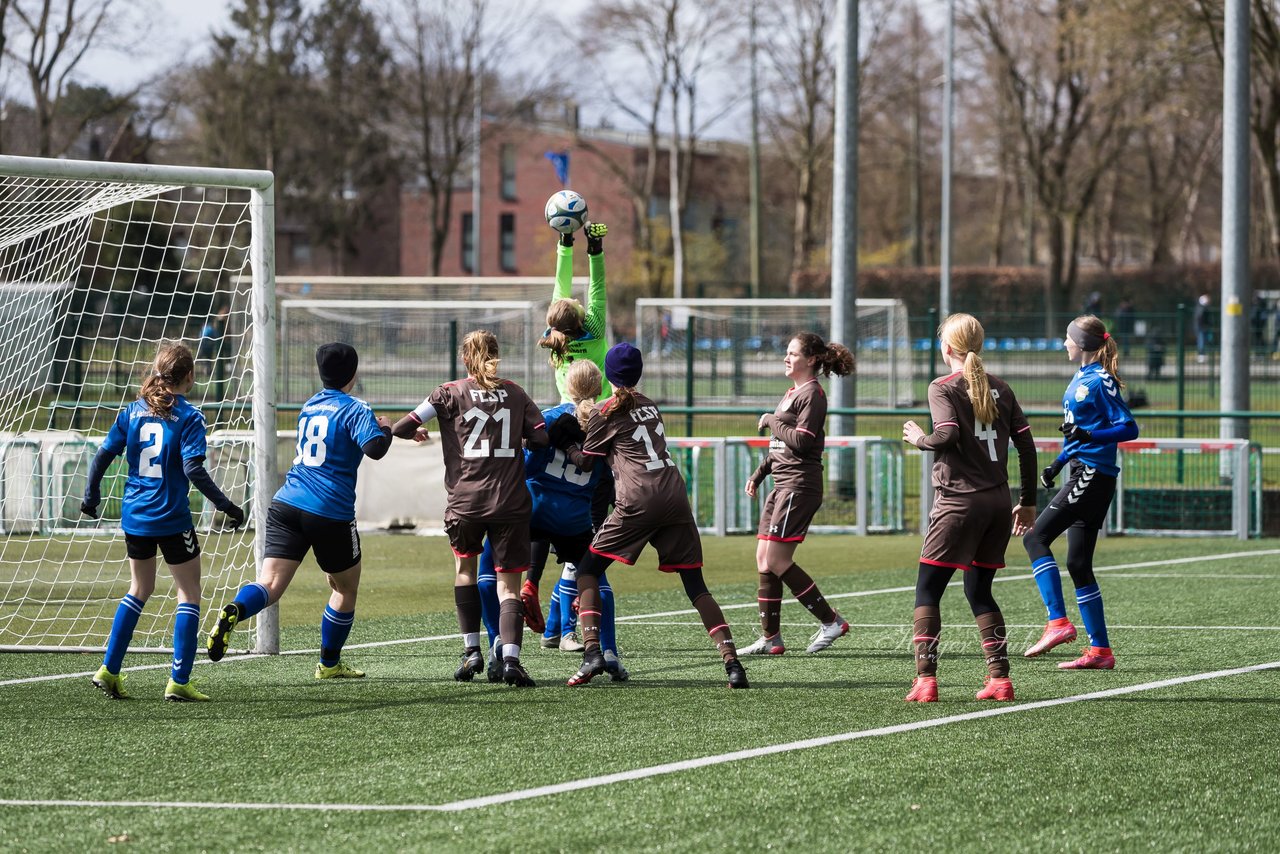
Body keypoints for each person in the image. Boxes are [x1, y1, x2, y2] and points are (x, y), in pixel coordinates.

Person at [558, 342, 749, 688]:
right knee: (696, 586)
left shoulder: (606, 411)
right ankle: (733, 663)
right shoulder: (650, 405)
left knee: (587, 571)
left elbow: (587, 460)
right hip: (675, 495)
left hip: (639, 498)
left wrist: (568, 444)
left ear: (609, 377)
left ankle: (591, 654)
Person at [206, 343, 391, 679]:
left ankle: (236, 608)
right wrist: (388, 428)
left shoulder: (310, 406)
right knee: (344, 588)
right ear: (353, 373)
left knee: (270, 583)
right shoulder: (356, 407)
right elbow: (375, 448)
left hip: (287, 502)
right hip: (329, 510)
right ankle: (329, 664)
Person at [83, 341, 245, 702]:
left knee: (139, 589)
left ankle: (109, 670)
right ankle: (180, 681)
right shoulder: (190, 416)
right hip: (172, 517)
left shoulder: (132, 411)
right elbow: (193, 469)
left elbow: (103, 455)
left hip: (135, 516)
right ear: (189, 376)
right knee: (188, 592)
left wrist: (91, 496)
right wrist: (227, 505)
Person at [392, 330, 549, 688]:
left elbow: (405, 426)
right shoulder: (515, 392)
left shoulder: (448, 392)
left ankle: (472, 652)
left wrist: (413, 433)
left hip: (465, 502)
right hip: (509, 502)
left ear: (465, 359)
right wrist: (516, 439)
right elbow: (541, 438)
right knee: (509, 587)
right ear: (497, 356)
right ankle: (511, 659)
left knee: (465, 571)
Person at [901, 314, 1038, 702]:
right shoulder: (1002, 388)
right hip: (997, 502)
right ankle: (1000, 679)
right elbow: (1027, 448)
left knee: (928, 590)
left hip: (959, 502)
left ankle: (926, 679)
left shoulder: (942, 387)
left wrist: (919, 439)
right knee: (980, 591)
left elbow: (947, 434)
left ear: (947, 348)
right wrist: (1027, 502)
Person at [476, 360, 628, 681]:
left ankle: (499, 646)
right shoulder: (605, 423)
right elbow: (607, 475)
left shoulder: (547, 419)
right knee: (596, 580)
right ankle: (607, 652)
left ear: (566, 387)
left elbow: (527, 465)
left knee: (490, 572)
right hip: (575, 518)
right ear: (599, 388)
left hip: (534, 510)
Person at [1023, 315, 1139, 670]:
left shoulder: (1101, 380)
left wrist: (1091, 438)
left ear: (1082, 343)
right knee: (1077, 563)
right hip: (1081, 471)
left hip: (1092, 474)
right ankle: (1101, 652)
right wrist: (1057, 464)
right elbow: (1078, 432)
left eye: (1067, 338)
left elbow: (1129, 427)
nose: (1063, 343)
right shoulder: (1082, 376)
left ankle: (1057, 622)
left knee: (1035, 539)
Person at [740, 332, 854, 656]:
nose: (786, 358)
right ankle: (771, 638)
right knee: (763, 559)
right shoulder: (792, 392)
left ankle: (832, 621)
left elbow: (801, 440)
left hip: (800, 486)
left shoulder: (814, 395)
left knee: (777, 559)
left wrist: (771, 419)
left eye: (792, 353)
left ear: (812, 360)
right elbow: (780, 447)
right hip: (781, 484)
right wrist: (759, 474)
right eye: (786, 352)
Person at [525, 220, 613, 632]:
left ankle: (534, 589)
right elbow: (596, 292)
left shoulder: (553, 336)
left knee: (544, 516)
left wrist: (566, 243)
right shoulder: (593, 336)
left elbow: (561, 295)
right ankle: (576, 627)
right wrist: (595, 249)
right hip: (594, 423)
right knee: (588, 536)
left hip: (558, 422)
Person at [1194, 294, 1212, 362]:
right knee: (1201, 342)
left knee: (1204, 341)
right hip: (1201, 328)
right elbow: (1200, 318)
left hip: (1203, 327)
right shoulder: (1201, 308)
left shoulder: (1203, 308)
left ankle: (1202, 355)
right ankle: (1201, 355)